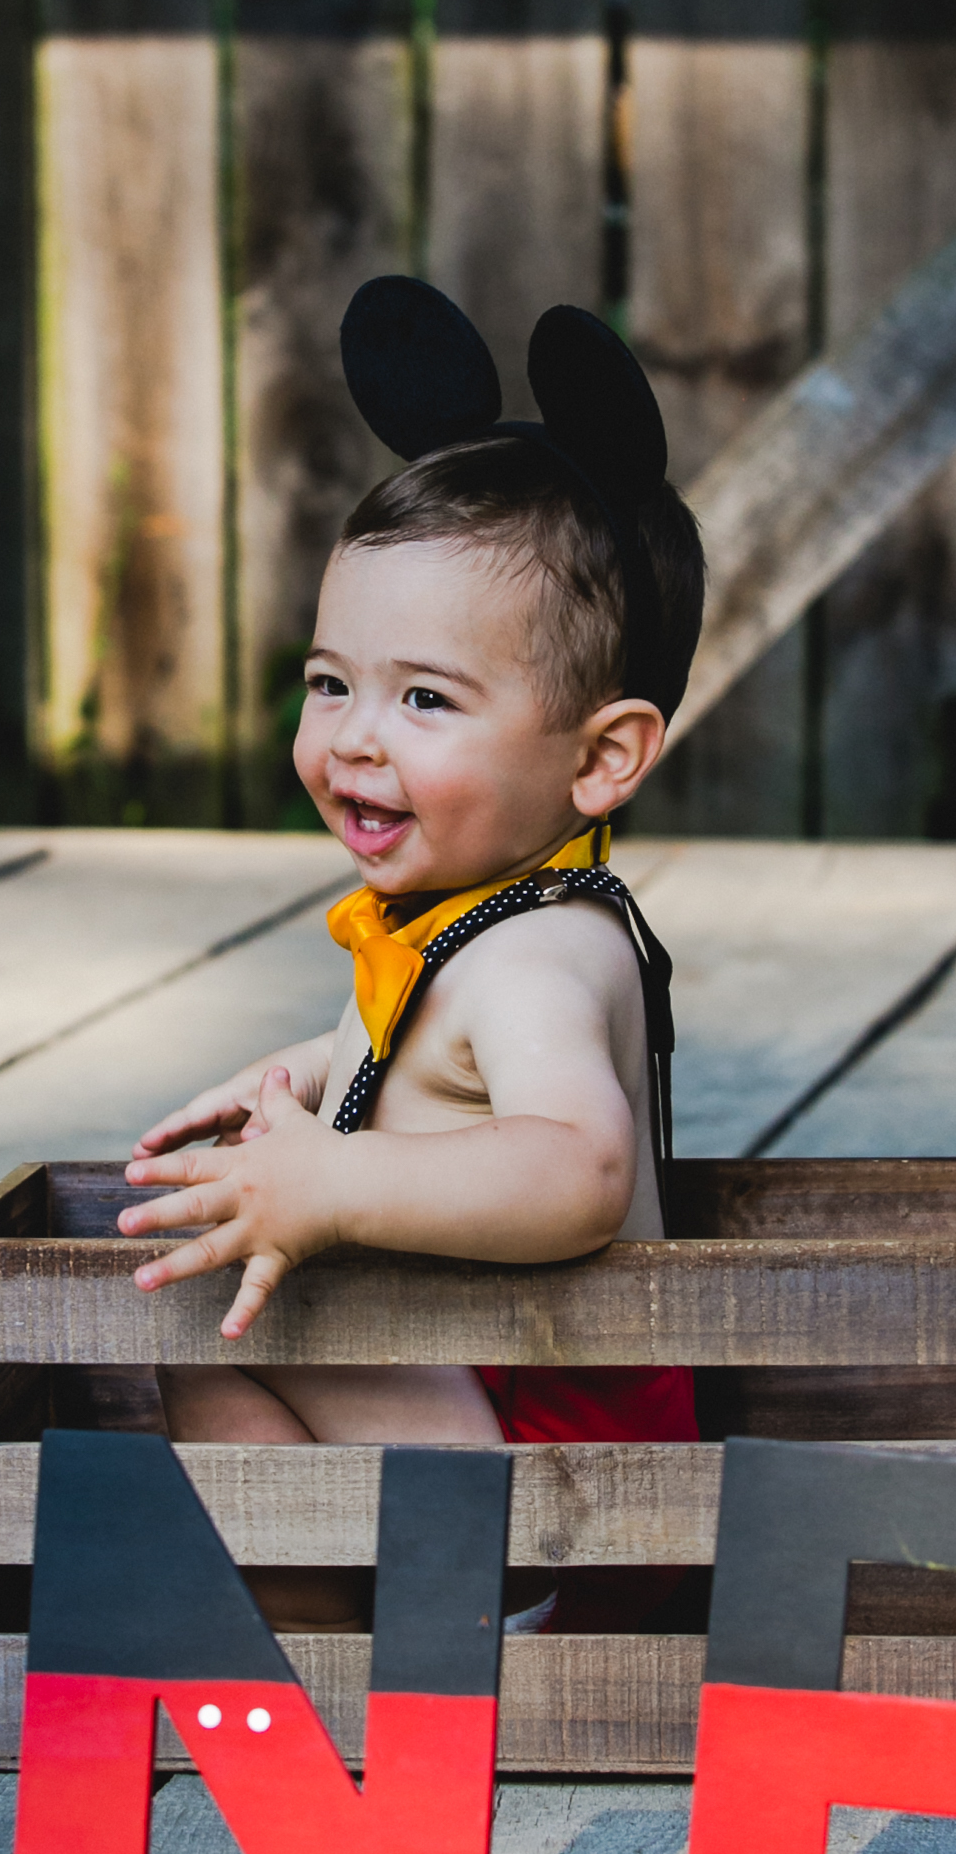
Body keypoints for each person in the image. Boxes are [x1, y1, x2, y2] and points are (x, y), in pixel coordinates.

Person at [119, 278, 704, 1624]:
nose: (354, 736)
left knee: (263, 1303)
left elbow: (575, 1164)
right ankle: (333, 1631)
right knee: (209, 1336)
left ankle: (442, 1615)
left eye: (425, 697)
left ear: (602, 756)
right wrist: (314, 1070)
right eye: (333, 681)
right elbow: (436, 1066)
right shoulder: (469, 925)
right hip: (489, 1409)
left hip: (562, 1456)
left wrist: (330, 1185)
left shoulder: (540, 956)